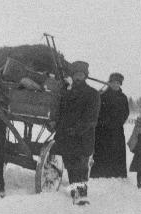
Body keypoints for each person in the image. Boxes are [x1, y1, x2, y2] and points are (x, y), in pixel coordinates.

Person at [53, 61, 101, 205]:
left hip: (82, 137)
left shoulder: (93, 94)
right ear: (72, 77)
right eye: (75, 75)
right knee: (70, 166)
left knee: (81, 167)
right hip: (67, 137)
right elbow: (61, 113)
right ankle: (75, 192)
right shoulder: (66, 94)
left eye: (81, 75)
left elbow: (91, 118)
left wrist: (76, 129)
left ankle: (82, 196)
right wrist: (57, 126)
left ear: (85, 76)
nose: (78, 77)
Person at [91, 72, 130, 179]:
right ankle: (99, 173)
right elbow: (97, 111)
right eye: (113, 82)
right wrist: (102, 122)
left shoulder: (123, 98)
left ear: (120, 84)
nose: (115, 85)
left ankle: (117, 174)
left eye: (118, 83)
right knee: (101, 151)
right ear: (109, 83)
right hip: (102, 130)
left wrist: (116, 123)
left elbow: (125, 113)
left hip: (116, 130)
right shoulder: (101, 96)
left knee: (116, 152)